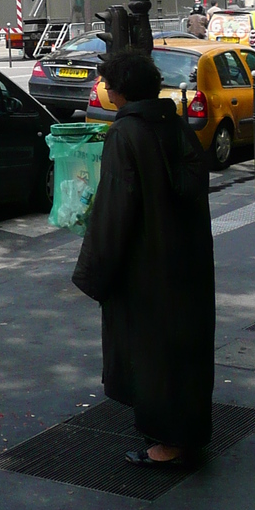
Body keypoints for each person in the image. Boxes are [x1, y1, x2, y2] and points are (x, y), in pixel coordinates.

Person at [73, 47, 215, 467]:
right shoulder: (175, 125)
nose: (106, 90)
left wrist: (95, 273)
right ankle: (189, 433)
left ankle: (167, 445)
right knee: (187, 350)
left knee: (153, 354)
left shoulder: (126, 133)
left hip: (147, 266)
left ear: (120, 91)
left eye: (108, 84)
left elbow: (115, 207)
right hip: (186, 259)